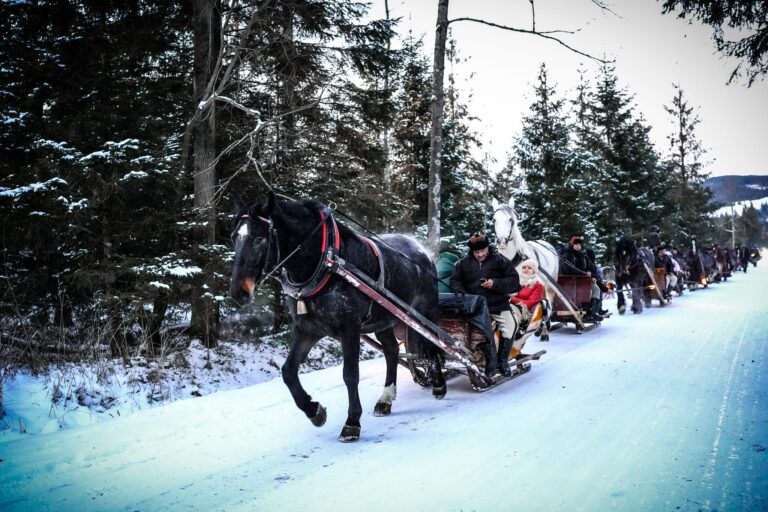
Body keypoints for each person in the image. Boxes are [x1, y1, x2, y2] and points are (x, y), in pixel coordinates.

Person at [450, 232, 521, 377]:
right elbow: (455, 281)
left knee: (510, 326)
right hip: (474, 306)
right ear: (472, 251)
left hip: (497, 304)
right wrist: (464, 294)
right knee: (482, 332)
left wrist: (495, 284)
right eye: (477, 252)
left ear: (487, 248)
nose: (480, 254)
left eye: (482, 251)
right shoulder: (463, 263)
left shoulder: (500, 260)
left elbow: (514, 281)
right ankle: (491, 362)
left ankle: (502, 361)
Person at [560, 236, 604, 322]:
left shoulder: (583, 255)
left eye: (579, 245)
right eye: (576, 244)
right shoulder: (567, 255)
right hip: (571, 280)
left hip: (585, 280)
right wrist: (584, 273)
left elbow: (591, 267)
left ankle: (592, 313)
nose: (578, 246)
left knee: (596, 289)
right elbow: (568, 268)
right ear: (572, 245)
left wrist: (594, 276)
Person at [508, 258, 544, 358]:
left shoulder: (537, 285)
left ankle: (507, 345)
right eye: (524, 267)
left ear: (534, 270)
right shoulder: (518, 281)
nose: (526, 270)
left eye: (529, 268)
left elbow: (530, 303)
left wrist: (512, 299)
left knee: (508, 317)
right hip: (511, 305)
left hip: (524, 311)